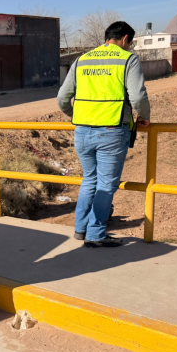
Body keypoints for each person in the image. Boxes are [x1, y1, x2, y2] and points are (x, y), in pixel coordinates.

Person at [57, 21, 151, 247]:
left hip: (82, 131)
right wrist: (144, 116)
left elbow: (62, 98)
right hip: (111, 131)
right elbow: (137, 96)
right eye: (130, 42)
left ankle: (80, 229)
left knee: (89, 180)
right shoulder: (127, 59)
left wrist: (75, 115)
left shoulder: (81, 59)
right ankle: (95, 234)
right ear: (125, 38)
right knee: (106, 185)